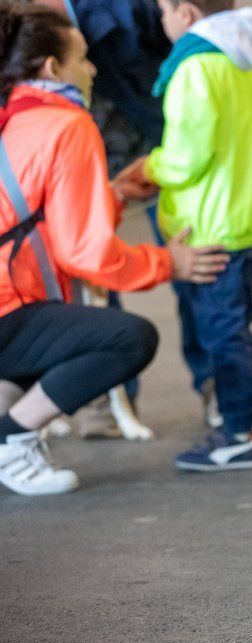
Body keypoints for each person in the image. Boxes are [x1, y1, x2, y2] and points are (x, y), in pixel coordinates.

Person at [0, 2, 229, 495]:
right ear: (52, 68)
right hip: (7, 311)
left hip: (9, 307)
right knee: (128, 338)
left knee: (55, 333)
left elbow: (32, 213)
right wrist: (171, 262)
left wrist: (114, 194)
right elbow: (86, 255)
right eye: (83, 58)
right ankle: (13, 441)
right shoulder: (68, 124)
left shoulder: (14, 115)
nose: (94, 68)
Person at [117, 0, 252, 472]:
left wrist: (149, 165)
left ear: (186, 14)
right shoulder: (248, 67)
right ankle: (234, 423)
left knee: (222, 335)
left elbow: (186, 157)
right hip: (236, 222)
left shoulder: (193, 69)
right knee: (231, 329)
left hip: (205, 229)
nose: (160, 19)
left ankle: (236, 434)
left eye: (164, 9)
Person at [32, 0, 192, 438]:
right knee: (88, 293)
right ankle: (95, 405)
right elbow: (88, 251)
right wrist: (162, 263)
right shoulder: (26, 39)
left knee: (195, 263)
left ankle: (217, 385)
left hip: (157, 142)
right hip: (81, 149)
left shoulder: (130, 8)